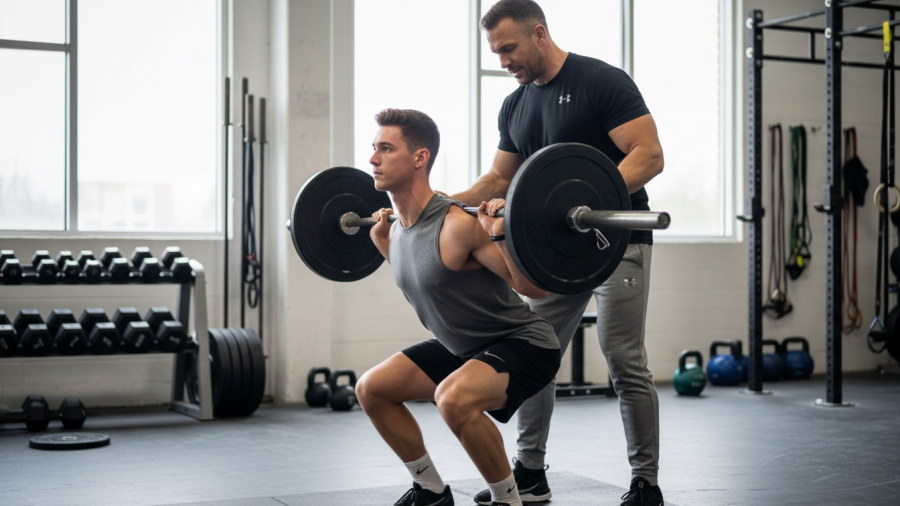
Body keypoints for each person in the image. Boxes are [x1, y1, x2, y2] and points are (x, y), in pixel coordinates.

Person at [451, 2, 666, 505]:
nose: (503, 61)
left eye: (509, 48)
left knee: (623, 358)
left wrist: (588, 197)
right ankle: (530, 471)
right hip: (554, 252)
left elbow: (649, 155)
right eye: (496, 52)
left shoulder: (600, 82)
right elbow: (498, 178)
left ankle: (645, 481)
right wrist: (438, 204)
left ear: (540, 34)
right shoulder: (516, 105)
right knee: (536, 351)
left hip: (616, 244)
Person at [354, 108, 562, 506]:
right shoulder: (396, 231)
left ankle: (508, 500)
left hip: (525, 344)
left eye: (386, 149)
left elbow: (535, 291)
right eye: (373, 148)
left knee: (452, 399)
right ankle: (430, 492)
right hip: (464, 348)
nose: (373, 159)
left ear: (420, 157)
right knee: (372, 389)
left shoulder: (458, 225)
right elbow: (422, 277)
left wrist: (499, 236)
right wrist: (382, 241)